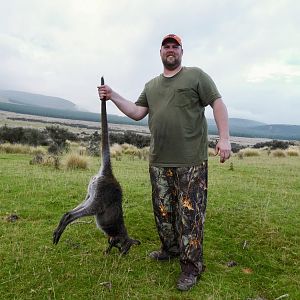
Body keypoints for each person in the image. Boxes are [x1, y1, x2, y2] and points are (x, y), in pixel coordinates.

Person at [98, 34, 231, 291]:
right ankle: (169, 250)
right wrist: (112, 95)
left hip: (191, 162)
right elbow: (137, 112)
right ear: (160, 52)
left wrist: (224, 137)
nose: (171, 50)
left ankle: (191, 267)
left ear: (182, 51)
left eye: (175, 47)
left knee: (190, 215)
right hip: (159, 162)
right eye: (166, 47)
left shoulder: (196, 76)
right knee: (163, 213)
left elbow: (217, 103)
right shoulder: (151, 86)